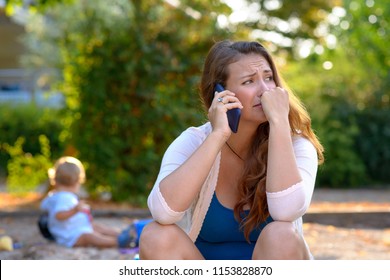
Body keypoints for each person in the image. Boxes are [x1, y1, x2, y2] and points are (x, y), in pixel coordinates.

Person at [139, 40, 324, 260]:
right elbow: (162, 212)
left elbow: (286, 211)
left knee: (280, 233)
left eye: (269, 77)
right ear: (221, 93)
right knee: (155, 235)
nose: (265, 91)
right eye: (249, 81)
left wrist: (280, 124)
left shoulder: (296, 144)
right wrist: (218, 135)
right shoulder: (195, 141)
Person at [40, 156, 135, 248]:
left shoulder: (55, 196)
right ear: (77, 181)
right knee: (89, 237)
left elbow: (45, 207)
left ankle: (122, 235)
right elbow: (58, 215)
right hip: (70, 235)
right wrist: (75, 210)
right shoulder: (64, 197)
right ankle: (118, 241)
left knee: (96, 227)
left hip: (74, 228)